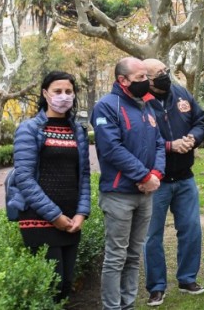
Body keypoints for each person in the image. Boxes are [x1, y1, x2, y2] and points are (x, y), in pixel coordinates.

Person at [91, 57, 166, 310]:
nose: (147, 82)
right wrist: (144, 177)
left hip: (145, 195)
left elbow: (158, 143)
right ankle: (112, 307)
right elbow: (111, 148)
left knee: (134, 256)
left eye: (147, 76)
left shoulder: (146, 106)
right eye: (140, 78)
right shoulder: (106, 106)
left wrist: (155, 174)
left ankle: (128, 304)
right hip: (118, 195)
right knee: (115, 257)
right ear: (122, 80)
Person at [13, 71, 91, 302]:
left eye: (68, 91)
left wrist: (81, 213)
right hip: (39, 219)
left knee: (66, 286)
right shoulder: (29, 129)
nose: (64, 96)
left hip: (71, 221)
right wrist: (54, 215)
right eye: (58, 91)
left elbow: (84, 175)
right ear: (45, 94)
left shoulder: (78, 131)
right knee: (52, 288)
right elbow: (24, 179)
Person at [141, 59, 204, 306]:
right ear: (146, 79)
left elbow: (200, 121)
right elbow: (141, 139)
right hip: (156, 180)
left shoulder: (181, 92)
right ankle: (156, 287)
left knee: (191, 229)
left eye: (166, 71)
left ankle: (187, 278)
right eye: (159, 74)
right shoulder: (140, 101)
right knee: (152, 236)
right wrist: (170, 146)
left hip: (185, 177)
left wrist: (193, 137)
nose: (165, 76)